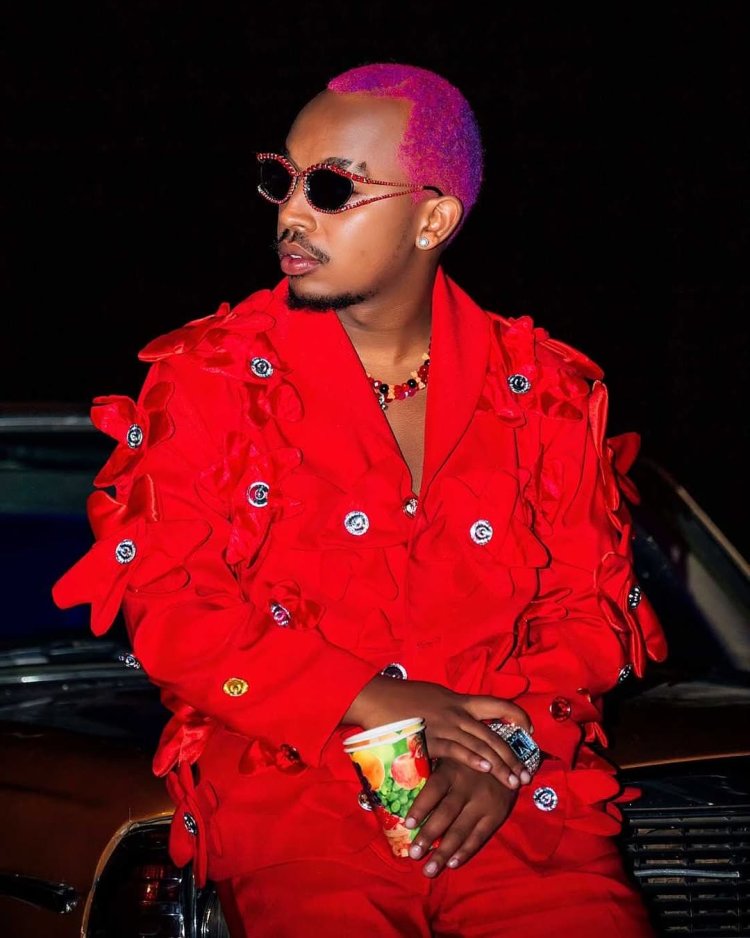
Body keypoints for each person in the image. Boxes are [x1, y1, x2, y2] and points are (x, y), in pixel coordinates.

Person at [53, 62, 668, 936]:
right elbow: (174, 608)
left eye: (332, 187)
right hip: (299, 814)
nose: (292, 214)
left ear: (432, 219)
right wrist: (379, 698)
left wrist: (505, 753)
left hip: (516, 815)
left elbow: (587, 616)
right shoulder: (210, 379)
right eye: (282, 180)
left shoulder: (547, 391)